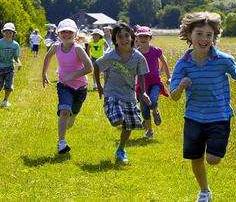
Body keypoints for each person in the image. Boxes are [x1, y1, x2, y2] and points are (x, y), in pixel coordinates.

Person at [169, 12, 236, 202]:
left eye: (209, 35)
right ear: (189, 34)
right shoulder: (182, 64)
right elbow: (173, 97)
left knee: (213, 159)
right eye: (199, 34)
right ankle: (204, 191)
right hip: (193, 117)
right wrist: (181, 86)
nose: (204, 39)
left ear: (214, 37)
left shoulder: (223, 60)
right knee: (196, 157)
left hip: (219, 116)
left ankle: (216, 147)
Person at [93, 22, 152, 164]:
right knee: (119, 119)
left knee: (129, 125)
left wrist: (143, 93)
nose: (124, 39)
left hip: (129, 95)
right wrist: (100, 86)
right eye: (120, 37)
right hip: (112, 93)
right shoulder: (110, 55)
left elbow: (142, 75)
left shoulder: (138, 57)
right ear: (115, 40)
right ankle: (110, 110)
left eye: (127, 36)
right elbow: (96, 65)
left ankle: (121, 149)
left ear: (132, 37)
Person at [42, 18, 93, 154]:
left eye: (69, 32)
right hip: (64, 85)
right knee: (64, 111)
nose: (66, 34)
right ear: (58, 34)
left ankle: (73, 116)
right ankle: (61, 143)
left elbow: (89, 68)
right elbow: (47, 57)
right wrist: (44, 74)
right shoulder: (56, 47)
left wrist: (72, 76)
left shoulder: (78, 49)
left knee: (73, 111)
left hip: (81, 88)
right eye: (63, 32)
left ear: (75, 34)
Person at [135, 26, 171, 139]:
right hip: (142, 85)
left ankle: (155, 111)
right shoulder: (136, 53)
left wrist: (169, 77)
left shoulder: (156, 51)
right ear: (137, 38)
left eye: (146, 36)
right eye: (141, 36)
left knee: (153, 100)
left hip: (155, 82)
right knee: (144, 109)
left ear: (150, 38)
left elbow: (164, 62)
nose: (143, 38)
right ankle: (150, 130)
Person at [0, 22, 21, 108]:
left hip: (10, 67)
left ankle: (5, 100)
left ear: (13, 33)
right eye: (6, 31)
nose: (8, 33)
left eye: (10, 32)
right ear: (3, 32)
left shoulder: (15, 45)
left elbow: (16, 56)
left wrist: (19, 63)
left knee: (9, 85)